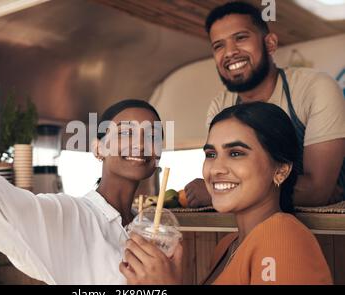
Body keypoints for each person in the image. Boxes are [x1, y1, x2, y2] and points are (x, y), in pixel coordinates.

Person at [0, 90, 167, 284]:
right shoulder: (73, 215)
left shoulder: (149, 226)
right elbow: (7, 206)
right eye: (125, 132)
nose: (141, 143)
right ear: (98, 148)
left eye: (153, 135)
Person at [121, 102, 332, 285]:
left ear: (281, 170)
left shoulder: (281, 236)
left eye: (236, 153)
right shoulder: (227, 245)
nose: (216, 169)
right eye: (211, 154)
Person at [185, 1, 345, 208]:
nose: (230, 52)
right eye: (219, 45)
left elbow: (317, 192)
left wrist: (217, 191)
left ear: (270, 43)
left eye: (240, 38)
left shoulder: (316, 88)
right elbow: (221, 173)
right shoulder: (220, 106)